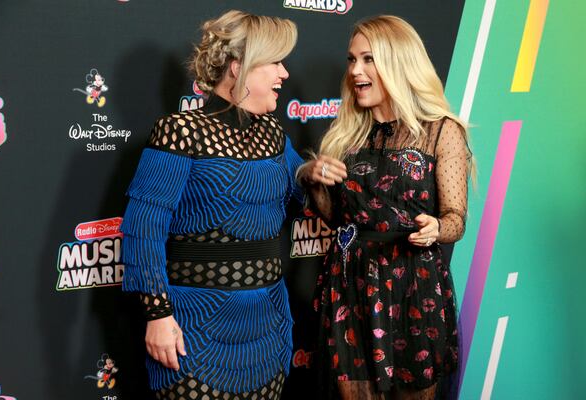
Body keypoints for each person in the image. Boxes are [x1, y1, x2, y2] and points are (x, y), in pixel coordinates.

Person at [120, 10, 302, 400]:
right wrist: (157, 315)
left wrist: (317, 174)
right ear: (238, 67)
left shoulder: (274, 135)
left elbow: (305, 197)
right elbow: (144, 229)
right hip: (192, 329)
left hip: (265, 328)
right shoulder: (179, 131)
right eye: (274, 62)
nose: (283, 73)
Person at [298, 15, 472, 400]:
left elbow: (456, 219)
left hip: (413, 285)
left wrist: (436, 229)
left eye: (368, 59)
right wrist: (312, 177)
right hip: (349, 283)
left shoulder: (441, 130)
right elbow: (333, 217)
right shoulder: (346, 133)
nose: (355, 70)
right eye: (351, 60)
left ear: (397, 63)